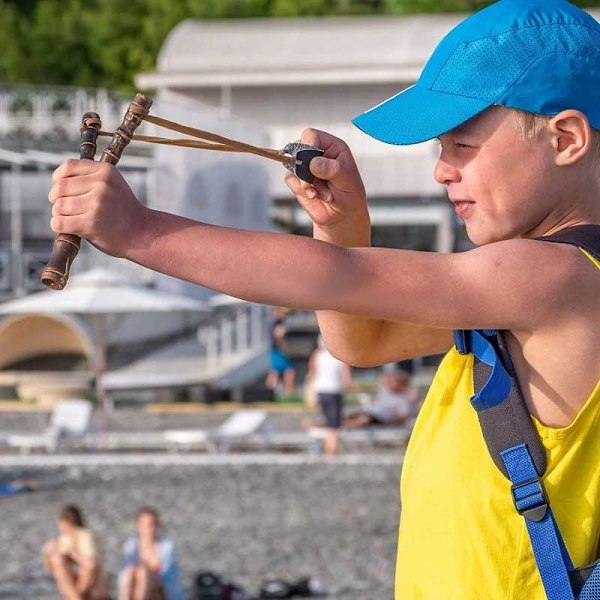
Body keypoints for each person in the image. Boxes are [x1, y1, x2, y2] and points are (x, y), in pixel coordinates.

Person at [49, 0, 600, 596]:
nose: (442, 171)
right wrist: (343, 225)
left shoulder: (558, 279)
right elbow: (362, 340)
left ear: (566, 138)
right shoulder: (521, 296)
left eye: (462, 146)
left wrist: (139, 231)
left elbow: (337, 279)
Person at [43, 505, 111, 600]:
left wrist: (72, 553)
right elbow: (51, 569)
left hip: (94, 591)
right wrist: (47, 555)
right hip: (80, 589)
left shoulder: (85, 536)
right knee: (57, 560)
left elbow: (91, 564)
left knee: (87, 567)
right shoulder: (64, 539)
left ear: (65, 523)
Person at [118, 507, 184, 600]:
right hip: (136, 584)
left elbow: (164, 573)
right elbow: (125, 570)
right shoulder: (131, 544)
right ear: (138, 526)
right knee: (132, 574)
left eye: (151, 524)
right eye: (143, 524)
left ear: (157, 526)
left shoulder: (167, 546)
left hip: (162, 589)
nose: (147, 528)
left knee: (143, 574)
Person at [306, 336, 352, 455]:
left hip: (321, 390)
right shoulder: (341, 356)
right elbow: (347, 378)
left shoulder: (317, 355)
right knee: (334, 425)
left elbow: (312, 372)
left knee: (328, 421)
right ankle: (331, 450)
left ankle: (329, 448)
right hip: (334, 391)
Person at [343, 370, 418, 428]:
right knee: (353, 415)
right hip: (370, 412)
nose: (390, 383)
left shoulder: (403, 399)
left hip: (380, 418)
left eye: (394, 381)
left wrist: (389, 423)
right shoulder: (386, 391)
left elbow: (402, 417)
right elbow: (383, 378)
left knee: (364, 419)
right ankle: (340, 425)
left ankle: (343, 426)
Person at [265, 306, 296, 397]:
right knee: (278, 372)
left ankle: (287, 392)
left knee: (283, 371)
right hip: (278, 351)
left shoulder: (280, 322)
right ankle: (272, 392)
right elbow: (278, 336)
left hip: (280, 351)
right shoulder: (276, 323)